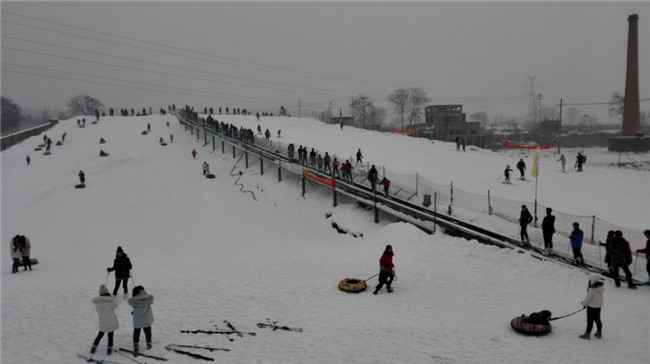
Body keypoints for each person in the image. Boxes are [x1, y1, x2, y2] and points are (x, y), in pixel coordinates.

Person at [90, 284, 119, 356]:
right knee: (110, 335)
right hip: (110, 321)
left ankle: (93, 347)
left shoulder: (97, 303)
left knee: (100, 334)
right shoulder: (110, 301)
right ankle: (109, 349)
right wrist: (111, 297)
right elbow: (116, 305)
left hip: (102, 321)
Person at [128, 285, 154, 356]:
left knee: (136, 332)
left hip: (137, 320)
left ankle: (136, 344)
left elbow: (137, 308)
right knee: (147, 330)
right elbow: (149, 303)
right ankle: (149, 343)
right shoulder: (147, 299)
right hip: (146, 319)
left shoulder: (134, 301)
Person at [579, 274, 604, 340]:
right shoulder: (600, 287)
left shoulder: (592, 289)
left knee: (590, 321)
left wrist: (583, 304)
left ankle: (587, 334)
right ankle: (599, 333)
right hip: (598, 306)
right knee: (597, 319)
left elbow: (588, 299)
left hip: (591, 307)